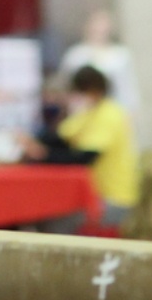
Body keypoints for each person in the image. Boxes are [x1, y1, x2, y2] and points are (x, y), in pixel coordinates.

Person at [24, 66, 140, 231]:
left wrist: (43, 154)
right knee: (41, 211)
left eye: (80, 92)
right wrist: (31, 141)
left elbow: (84, 158)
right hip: (91, 195)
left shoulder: (110, 114)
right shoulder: (88, 112)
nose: (77, 97)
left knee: (56, 221)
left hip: (114, 199)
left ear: (94, 90)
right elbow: (59, 137)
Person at [54, 8, 138, 114]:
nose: (100, 30)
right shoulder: (75, 55)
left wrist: (129, 114)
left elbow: (127, 90)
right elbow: (65, 86)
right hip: (81, 113)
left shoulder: (120, 56)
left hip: (111, 113)